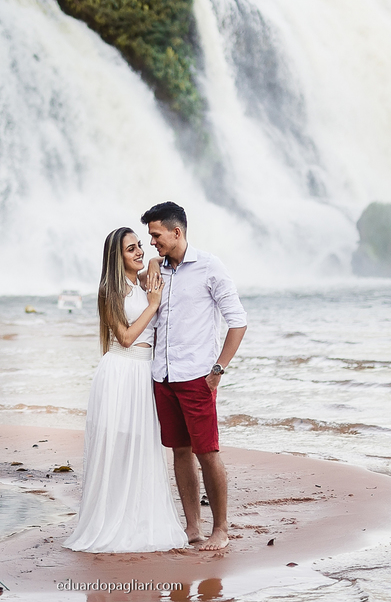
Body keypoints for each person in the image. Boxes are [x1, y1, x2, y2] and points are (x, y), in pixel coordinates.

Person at [64, 227, 189, 553]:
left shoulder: (143, 281)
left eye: (138, 246)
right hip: (120, 372)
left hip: (144, 372)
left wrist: (148, 269)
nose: (138, 251)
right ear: (115, 258)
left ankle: (139, 518)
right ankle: (112, 521)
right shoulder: (111, 290)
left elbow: (154, 260)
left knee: (144, 447)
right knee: (118, 448)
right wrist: (153, 303)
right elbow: (125, 337)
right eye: (129, 249)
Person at [142, 201, 247, 551]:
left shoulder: (209, 267)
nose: (152, 242)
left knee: (208, 452)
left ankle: (220, 529)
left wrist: (218, 369)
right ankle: (192, 527)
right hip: (163, 377)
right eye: (149, 237)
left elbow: (238, 320)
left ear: (177, 231)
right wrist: (155, 261)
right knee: (180, 451)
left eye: (156, 236)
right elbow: (137, 282)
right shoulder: (158, 270)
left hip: (197, 377)